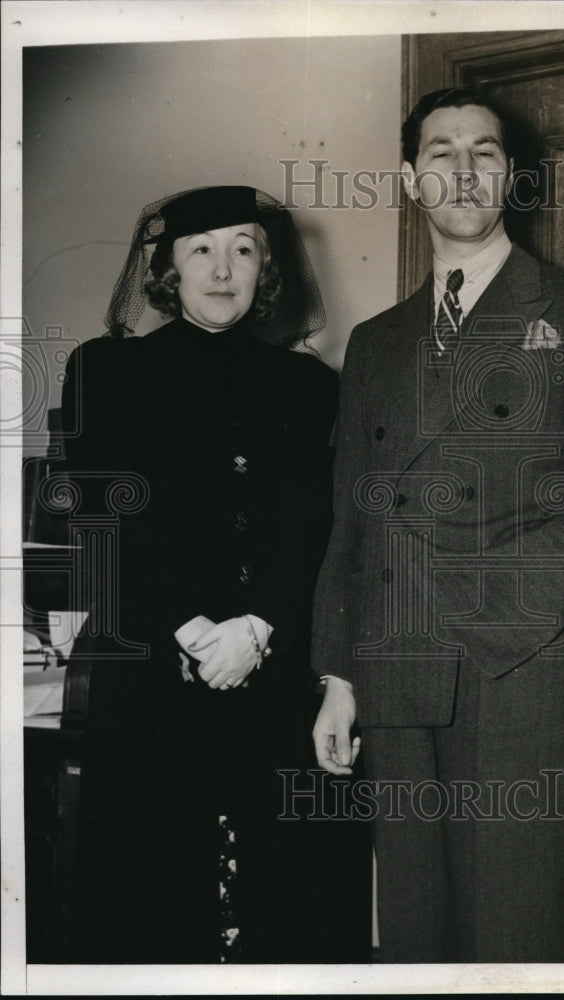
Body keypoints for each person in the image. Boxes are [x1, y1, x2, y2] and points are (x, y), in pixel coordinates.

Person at [311, 89, 564, 962]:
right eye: (441, 151)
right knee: (414, 925)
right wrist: (337, 673)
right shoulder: (376, 340)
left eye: (484, 151)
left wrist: (561, 579)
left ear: (509, 176)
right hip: (395, 656)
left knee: (517, 919)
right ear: (411, 178)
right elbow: (350, 516)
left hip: (521, 652)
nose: (463, 168)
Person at [61, 185, 370, 963]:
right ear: (167, 268)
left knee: (281, 897)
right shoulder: (104, 369)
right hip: (152, 668)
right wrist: (198, 633)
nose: (223, 268)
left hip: (274, 672)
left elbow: (313, 527)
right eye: (201, 248)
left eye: (242, 247)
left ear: (266, 266)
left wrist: (258, 627)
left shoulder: (308, 385)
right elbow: (104, 521)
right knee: (151, 891)